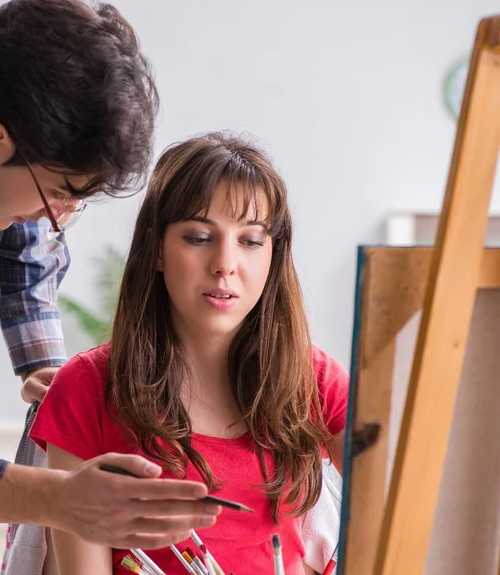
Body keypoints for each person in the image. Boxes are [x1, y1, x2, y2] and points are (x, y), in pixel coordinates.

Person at [0, 0, 220, 551]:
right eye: (59, 195)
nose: (57, 222)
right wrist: (55, 498)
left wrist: (47, 369)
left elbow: (20, 229)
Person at [29, 132, 350, 574]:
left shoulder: (316, 381)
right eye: (199, 237)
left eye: (252, 241)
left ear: (274, 257)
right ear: (156, 248)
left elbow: (396, 515)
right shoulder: (86, 388)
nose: (225, 263)